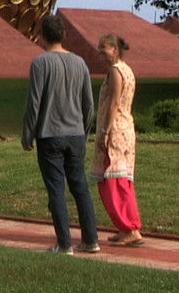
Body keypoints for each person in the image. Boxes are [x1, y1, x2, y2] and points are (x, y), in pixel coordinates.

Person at [22, 15, 100, 254]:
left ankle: (64, 243)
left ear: (42, 36)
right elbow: (89, 104)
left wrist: (28, 135)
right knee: (80, 187)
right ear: (64, 34)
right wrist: (84, 132)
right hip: (76, 134)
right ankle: (91, 240)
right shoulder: (80, 63)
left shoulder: (40, 63)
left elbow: (34, 103)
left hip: (50, 134)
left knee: (56, 189)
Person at [92, 33, 145, 246]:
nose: (100, 52)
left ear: (114, 49)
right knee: (121, 182)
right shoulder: (127, 70)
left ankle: (130, 227)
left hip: (115, 132)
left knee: (114, 183)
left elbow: (113, 104)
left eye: (103, 48)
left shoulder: (116, 71)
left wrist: (104, 131)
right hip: (126, 129)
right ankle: (126, 227)